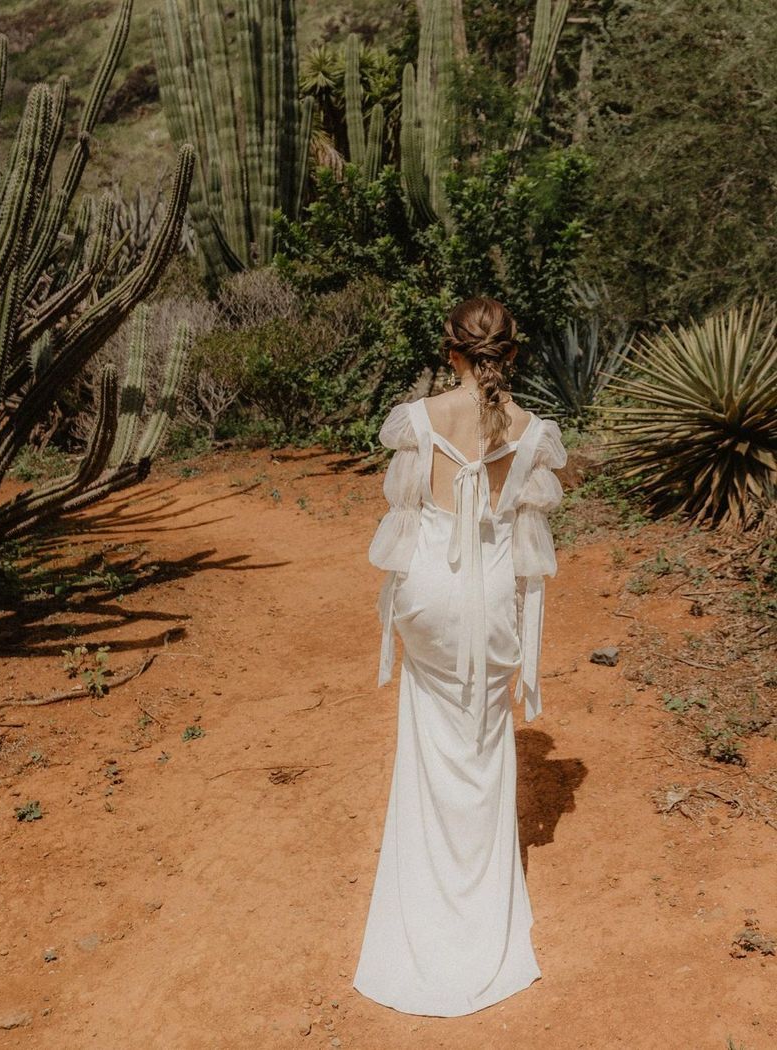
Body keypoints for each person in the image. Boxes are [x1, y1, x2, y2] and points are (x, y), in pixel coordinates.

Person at [352, 296, 568, 1017]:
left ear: (451, 352)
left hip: (429, 597)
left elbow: (405, 517)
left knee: (429, 739)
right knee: (483, 740)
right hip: (491, 600)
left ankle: (423, 889)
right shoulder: (533, 432)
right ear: (512, 354)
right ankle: (479, 903)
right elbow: (529, 550)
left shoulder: (418, 420)